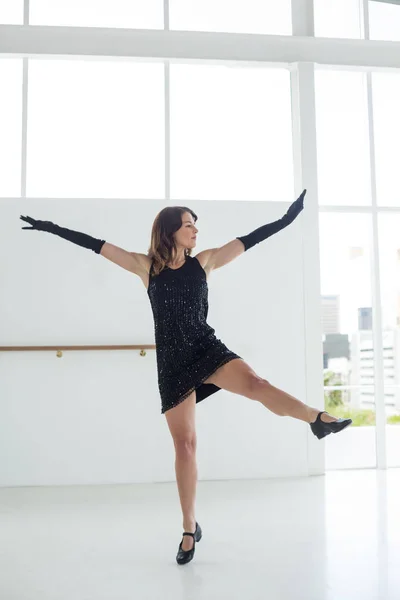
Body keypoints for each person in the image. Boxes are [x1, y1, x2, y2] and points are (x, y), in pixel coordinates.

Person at [20, 188, 352, 565]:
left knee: (257, 384)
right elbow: (96, 245)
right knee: (186, 446)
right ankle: (189, 527)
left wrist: (287, 219)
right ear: (170, 231)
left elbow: (249, 240)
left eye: (196, 225)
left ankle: (317, 419)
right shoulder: (145, 267)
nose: (196, 231)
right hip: (174, 364)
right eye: (189, 225)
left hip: (206, 349)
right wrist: (49, 227)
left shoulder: (205, 261)